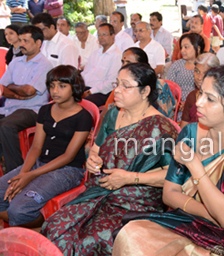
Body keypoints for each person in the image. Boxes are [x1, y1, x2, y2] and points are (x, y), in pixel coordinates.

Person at [112, 66, 224, 256]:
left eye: (210, 99)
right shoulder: (190, 133)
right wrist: (206, 213)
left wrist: (195, 165)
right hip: (196, 221)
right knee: (131, 235)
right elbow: (170, 193)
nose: (199, 103)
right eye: (201, 94)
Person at [42, 62, 179, 255]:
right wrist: (93, 162)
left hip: (137, 199)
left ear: (145, 91)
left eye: (125, 86)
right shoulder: (113, 113)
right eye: (117, 84)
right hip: (102, 189)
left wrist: (130, 178)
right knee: (56, 226)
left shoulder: (160, 128)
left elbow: (174, 176)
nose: (117, 91)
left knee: (93, 239)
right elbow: (96, 151)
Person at [0, 65, 92, 227]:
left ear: (75, 87)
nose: (55, 91)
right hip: (40, 163)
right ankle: (17, 226)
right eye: (52, 86)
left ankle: (45, 225)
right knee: (7, 195)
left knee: (19, 210)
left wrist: (31, 175)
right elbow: (35, 148)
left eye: (62, 86)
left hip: (67, 170)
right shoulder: (45, 110)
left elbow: (68, 156)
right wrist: (23, 174)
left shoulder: (83, 116)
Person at [0, 26, 53, 172]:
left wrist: (13, 87)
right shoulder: (16, 62)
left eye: (26, 41)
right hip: (9, 107)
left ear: (38, 43)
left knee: (5, 126)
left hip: (32, 109)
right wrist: (19, 93)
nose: (21, 44)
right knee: (4, 124)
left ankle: (15, 172)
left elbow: (29, 90)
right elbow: (3, 89)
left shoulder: (45, 65)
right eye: (21, 40)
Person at [119, 48, 177, 120]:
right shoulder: (122, 83)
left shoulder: (159, 86)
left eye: (128, 63)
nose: (123, 66)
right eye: (123, 62)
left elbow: (164, 116)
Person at [81, 23, 122, 107]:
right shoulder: (96, 53)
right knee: (67, 98)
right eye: (99, 35)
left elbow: (111, 82)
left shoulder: (117, 55)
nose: (101, 37)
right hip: (86, 87)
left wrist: (89, 92)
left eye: (104, 34)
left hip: (102, 92)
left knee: (82, 104)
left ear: (113, 36)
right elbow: (85, 73)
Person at [180, 53, 220, 128]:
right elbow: (183, 130)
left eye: (205, 73)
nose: (199, 77)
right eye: (197, 71)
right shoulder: (192, 96)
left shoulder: (219, 101)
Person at [166, 33, 204, 107]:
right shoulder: (177, 65)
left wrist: (189, 104)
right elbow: (169, 87)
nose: (182, 50)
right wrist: (176, 101)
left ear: (198, 48)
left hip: (198, 104)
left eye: (186, 47)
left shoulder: (205, 66)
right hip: (177, 105)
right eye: (181, 47)